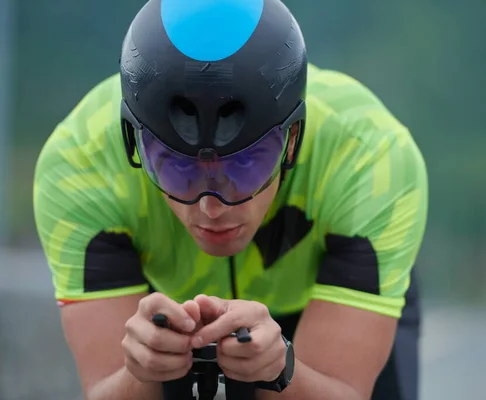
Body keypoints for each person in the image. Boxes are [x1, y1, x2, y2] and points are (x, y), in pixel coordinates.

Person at [33, 0, 428, 399]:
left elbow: (344, 389)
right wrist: (141, 373)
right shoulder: (80, 163)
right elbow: (105, 389)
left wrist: (281, 370)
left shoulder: (370, 160)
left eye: (245, 167)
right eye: (176, 168)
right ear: (132, 142)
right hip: (162, 306)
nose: (212, 207)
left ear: (294, 139)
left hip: (317, 299)